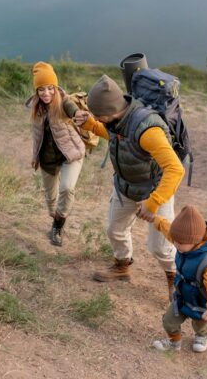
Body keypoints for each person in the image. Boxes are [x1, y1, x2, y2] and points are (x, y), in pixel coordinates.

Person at [73, 74, 184, 299]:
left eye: (98, 116)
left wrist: (153, 203)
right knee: (114, 230)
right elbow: (115, 136)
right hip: (126, 187)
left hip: (155, 190)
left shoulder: (148, 130)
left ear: (110, 112)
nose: (97, 118)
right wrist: (91, 125)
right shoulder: (118, 119)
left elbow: (175, 169)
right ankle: (122, 266)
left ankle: (176, 279)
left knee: (160, 247)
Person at [146, 205, 207, 353]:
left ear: (196, 241)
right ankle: (174, 342)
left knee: (200, 323)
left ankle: (202, 336)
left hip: (201, 301)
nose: (176, 245)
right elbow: (168, 230)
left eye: (180, 243)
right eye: (175, 241)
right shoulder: (183, 241)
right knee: (169, 321)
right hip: (182, 296)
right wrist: (156, 219)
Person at [26, 62, 85, 246]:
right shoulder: (35, 106)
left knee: (67, 188)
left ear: (55, 87)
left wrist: (78, 114)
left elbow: (72, 109)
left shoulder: (63, 100)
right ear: (36, 91)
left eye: (50, 88)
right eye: (41, 89)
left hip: (71, 155)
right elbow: (37, 137)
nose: (46, 93)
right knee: (51, 201)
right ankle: (55, 219)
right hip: (47, 159)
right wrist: (35, 157)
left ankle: (58, 227)